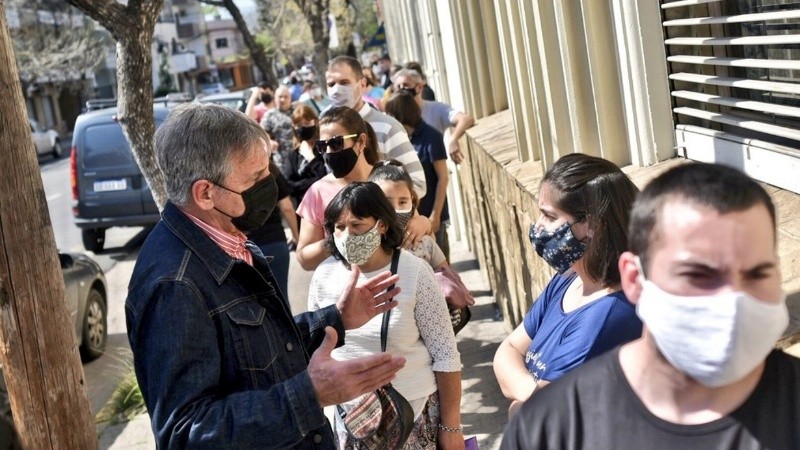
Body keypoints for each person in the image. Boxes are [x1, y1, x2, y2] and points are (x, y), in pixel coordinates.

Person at [125, 103, 406, 448]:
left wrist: (334, 319)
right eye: (255, 178)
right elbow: (185, 433)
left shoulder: (226, 238)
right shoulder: (174, 286)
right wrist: (310, 394)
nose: (270, 184)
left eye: (267, 171)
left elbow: (259, 354)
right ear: (205, 193)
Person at [501, 162, 799, 450]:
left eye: (757, 273)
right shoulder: (552, 426)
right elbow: (511, 350)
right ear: (635, 278)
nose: (733, 300)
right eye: (698, 274)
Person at [308, 181, 464, 449]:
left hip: (415, 415)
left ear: (381, 224)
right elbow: (314, 349)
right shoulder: (324, 275)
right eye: (339, 227)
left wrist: (451, 427)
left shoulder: (415, 272)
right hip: (352, 421)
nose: (346, 236)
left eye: (357, 225)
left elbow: (446, 354)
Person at [493, 153, 643, 419]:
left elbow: (543, 421)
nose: (538, 227)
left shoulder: (607, 315)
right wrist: (532, 398)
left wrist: (523, 408)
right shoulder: (568, 278)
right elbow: (508, 350)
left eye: (549, 217)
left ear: (593, 225)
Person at [295, 107, 430, 271]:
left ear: (360, 142)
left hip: (398, 281)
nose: (329, 152)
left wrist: (424, 223)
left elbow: (417, 225)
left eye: (336, 143)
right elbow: (304, 259)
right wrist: (339, 240)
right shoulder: (318, 191)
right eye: (323, 146)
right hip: (349, 288)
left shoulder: (388, 180)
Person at [325, 55, 427, 198]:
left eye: (344, 82)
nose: (337, 89)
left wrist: (379, 206)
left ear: (362, 84)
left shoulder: (388, 127)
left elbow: (418, 184)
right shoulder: (326, 130)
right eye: (331, 84)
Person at [385, 91, 452, 260]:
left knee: (441, 268)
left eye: (389, 114)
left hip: (432, 213)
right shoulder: (403, 140)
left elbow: (443, 177)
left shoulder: (432, 137)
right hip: (410, 218)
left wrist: (435, 216)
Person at [246, 132, 299, 297]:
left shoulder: (236, 175)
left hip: (248, 245)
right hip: (275, 242)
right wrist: (297, 236)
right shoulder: (271, 171)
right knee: (281, 300)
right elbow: (287, 207)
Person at [393, 69, 475, 164]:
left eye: (406, 85)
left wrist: (453, 138)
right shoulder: (393, 116)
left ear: (419, 87)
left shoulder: (436, 109)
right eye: (398, 87)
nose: (402, 90)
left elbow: (466, 119)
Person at [284, 104, 327, 209]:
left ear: (315, 122)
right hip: (303, 207)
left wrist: (311, 158)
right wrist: (315, 180)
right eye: (298, 125)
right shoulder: (293, 153)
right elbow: (289, 186)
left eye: (307, 123)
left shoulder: (323, 146)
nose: (302, 128)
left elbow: (326, 176)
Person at [260, 85, 294, 172]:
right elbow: (261, 133)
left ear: (290, 98)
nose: (282, 100)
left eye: (285, 97)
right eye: (280, 97)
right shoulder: (270, 115)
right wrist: (269, 141)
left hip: (300, 156)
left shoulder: (298, 111)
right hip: (282, 159)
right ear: (275, 98)